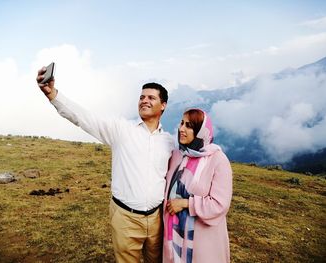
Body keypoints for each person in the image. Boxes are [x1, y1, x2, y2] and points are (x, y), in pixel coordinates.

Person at [36, 66, 174, 263]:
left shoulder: (169, 142)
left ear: (163, 105)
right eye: (142, 97)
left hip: (157, 219)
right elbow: (83, 118)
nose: (144, 100)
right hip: (125, 218)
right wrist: (53, 95)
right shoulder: (121, 130)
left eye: (151, 98)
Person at [163, 108, 232, 263]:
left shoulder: (218, 160)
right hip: (172, 234)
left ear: (201, 131)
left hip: (201, 240)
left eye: (189, 126)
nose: (181, 129)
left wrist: (187, 203)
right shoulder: (177, 155)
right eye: (181, 123)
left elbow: (220, 204)